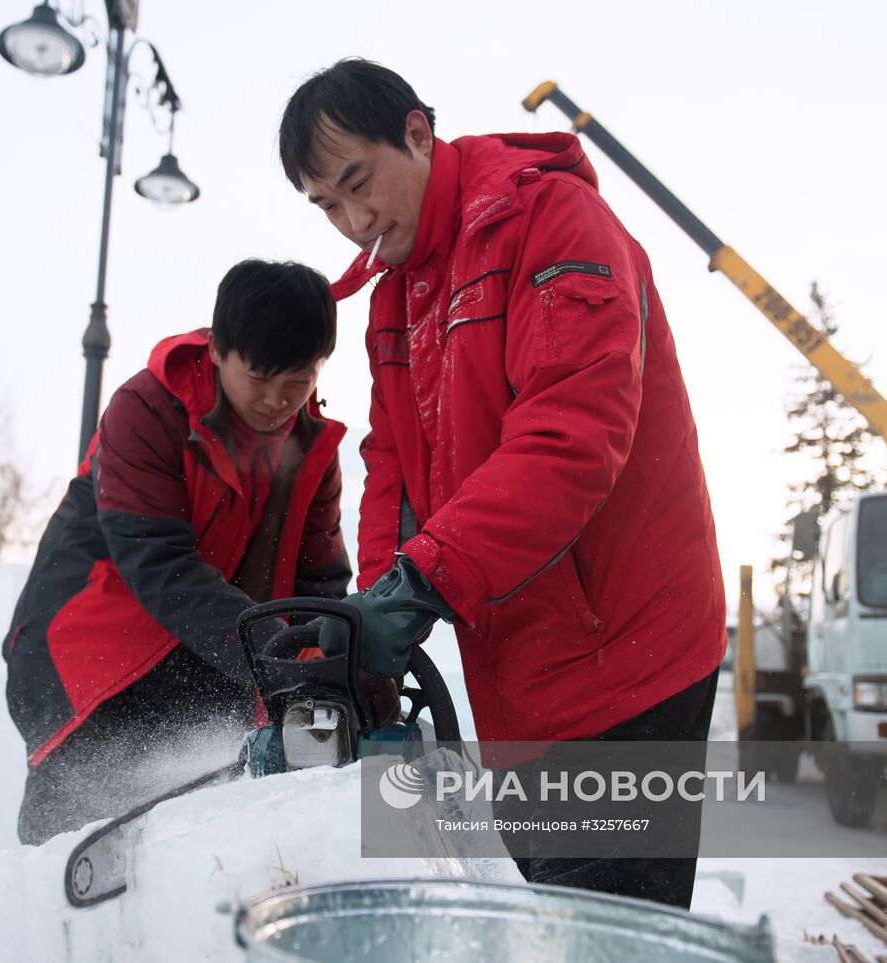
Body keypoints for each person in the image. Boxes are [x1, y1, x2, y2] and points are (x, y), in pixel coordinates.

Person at [280, 60, 726, 907]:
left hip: (625, 644)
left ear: (418, 132)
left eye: (357, 183)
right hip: (520, 660)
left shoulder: (550, 221)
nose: (352, 219)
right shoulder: (396, 299)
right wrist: (379, 605)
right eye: (326, 207)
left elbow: (572, 434)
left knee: (604, 926)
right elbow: (392, 468)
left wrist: (420, 585)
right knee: (550, 911)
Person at [3, 259, 350, 845]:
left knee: (218, 828)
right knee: (73, 836)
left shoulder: (312, 447)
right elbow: (158, 564)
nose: (276, 401)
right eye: (259, 378)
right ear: (217, 351)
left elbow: (319, 580)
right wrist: (276, 655)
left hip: (213, 646)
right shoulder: (145, 409)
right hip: (94, 650)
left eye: (298, 381)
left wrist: (325, 660)